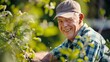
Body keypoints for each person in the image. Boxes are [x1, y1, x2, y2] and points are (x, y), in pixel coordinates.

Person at [33, 0, 109, 62]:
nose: (64, 25)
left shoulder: (90, 40)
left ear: (80, 18)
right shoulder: (72, 41)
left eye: (69, 19)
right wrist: (28, 56)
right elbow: (50, 56)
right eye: (60, 21)